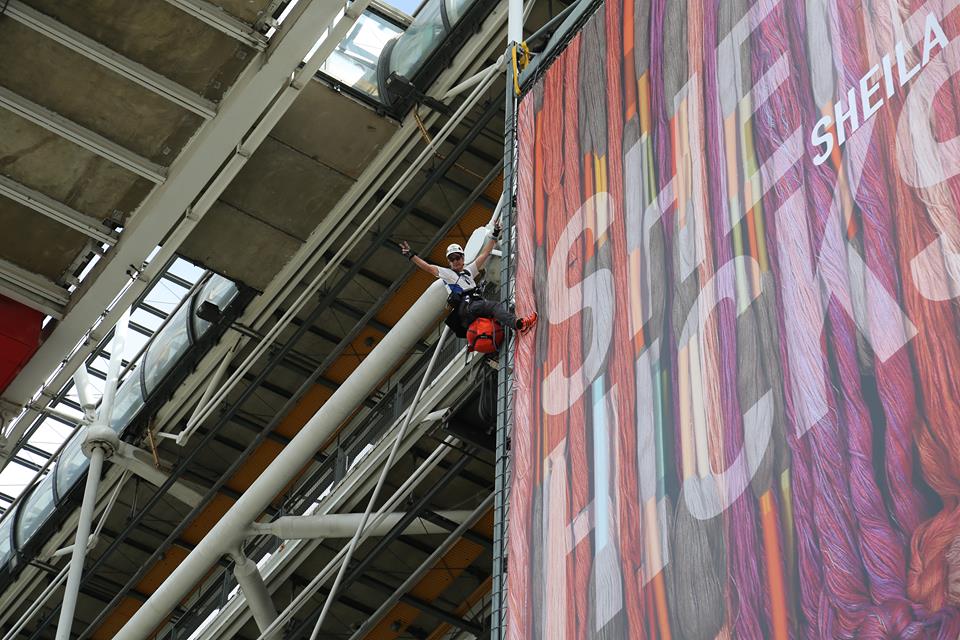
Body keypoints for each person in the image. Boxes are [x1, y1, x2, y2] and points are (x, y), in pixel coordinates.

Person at [398, 223, 537, 335]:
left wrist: (494, 234)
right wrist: (411, 255)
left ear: (463, 258)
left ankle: (506, 335)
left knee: (494, 316)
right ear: (449, 262)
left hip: (474, 305)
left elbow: (484, 254)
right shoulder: (447, 274)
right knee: (494, 307)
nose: (455, 261)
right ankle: (519, 324)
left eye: (457, 257)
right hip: (468, 306)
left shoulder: (469, 271)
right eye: (452, 259)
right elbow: (428, 267)